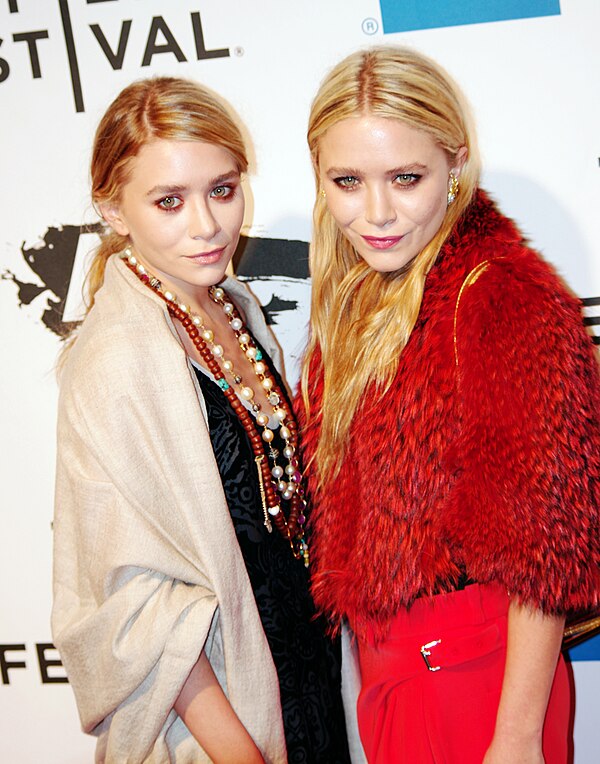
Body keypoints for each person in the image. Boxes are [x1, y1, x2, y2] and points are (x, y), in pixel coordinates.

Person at [298, 46, 600, 764]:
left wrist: (518, 736)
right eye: (347, 181)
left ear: (455, 165)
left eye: (406, 178)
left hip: (480, 686)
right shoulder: (360, 297)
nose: (376, 211)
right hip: (396, 674)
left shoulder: (500, 298)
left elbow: (543, 549)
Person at [51, 76, 351, 764]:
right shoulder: (116, 359)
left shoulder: (232, 305)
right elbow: (136, 608)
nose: (208, 224)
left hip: (301, 670)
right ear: (114, 211)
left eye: (222, 189)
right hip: (217, 714)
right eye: (169, 201)